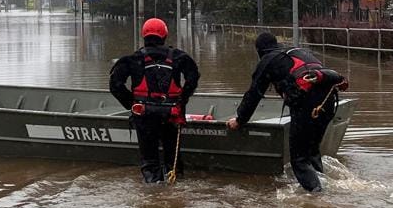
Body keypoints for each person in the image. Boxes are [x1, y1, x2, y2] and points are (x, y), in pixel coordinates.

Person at [227, 32, 347, 193]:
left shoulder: (267, 60)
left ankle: (317, 198)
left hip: (307, 103)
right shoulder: (297, 52)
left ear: (259, 50)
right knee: (312, 151)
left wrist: (240, 120)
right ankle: (322, 186)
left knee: (299, 159)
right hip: (328, 99)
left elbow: (254, 94)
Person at [110, 18, 201, 183]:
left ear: (143, 36)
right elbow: (193, 78)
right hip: (171, 116)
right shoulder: (180, 57)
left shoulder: (132, 59)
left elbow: (115, 85)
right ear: (165, 35)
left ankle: (153, 192)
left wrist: (132, 104)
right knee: (172, 160)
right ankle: (174, 192)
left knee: (150, 161)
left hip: (144, 117)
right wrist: (181, 100)